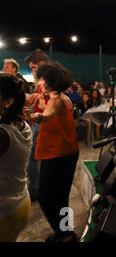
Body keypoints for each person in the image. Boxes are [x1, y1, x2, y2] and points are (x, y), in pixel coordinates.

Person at [28, 62, 79, 242]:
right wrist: (41, 102)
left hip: (58, 155)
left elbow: (45, 117)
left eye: (43, 80)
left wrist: (25, 114)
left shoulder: (57, 101)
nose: (41, 83)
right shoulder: (61, 98)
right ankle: (66, 233)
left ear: (50, 83)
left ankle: (64, 233)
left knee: (46, 198)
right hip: (67, 152)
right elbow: (49, 112)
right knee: (61, 197)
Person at [0, 74, 33, 241]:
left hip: (4, 212)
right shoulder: (23, 125)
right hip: (20, 204)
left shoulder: (3, 134)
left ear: (8, 102)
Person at [24, 49, 50, 202]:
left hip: (42, 124)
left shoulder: (48, 81)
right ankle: (37, 188)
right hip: (39, 123)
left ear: (42, 65)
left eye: (34, 67)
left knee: (33, 158)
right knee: (36, 158)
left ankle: (35, 191)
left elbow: (49, 108)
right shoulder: (43, 81)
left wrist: (31, 114)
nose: (33, 71)